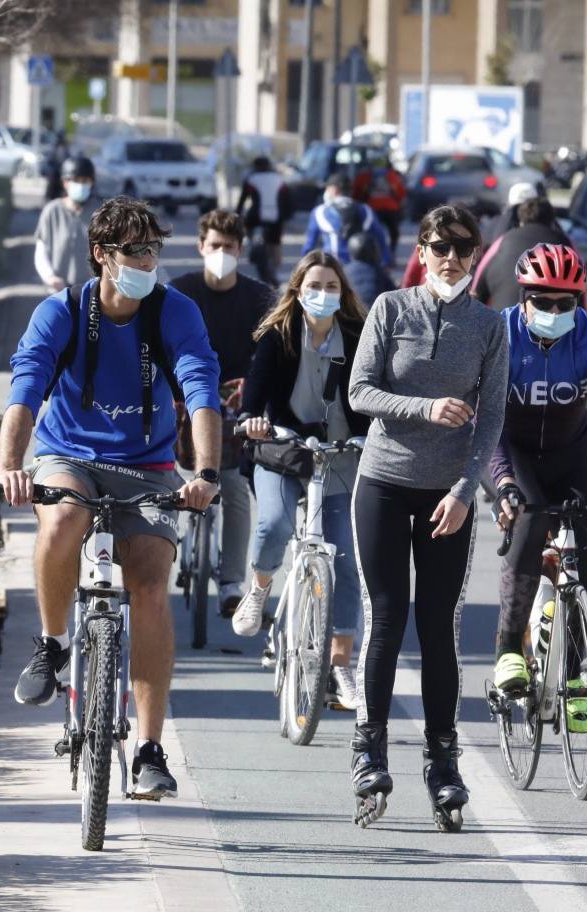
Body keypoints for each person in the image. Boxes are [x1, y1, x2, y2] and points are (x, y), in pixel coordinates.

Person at [0, 196, 222, 797]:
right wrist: (9, 466)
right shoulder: (61, 312)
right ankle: (51, 643)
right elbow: (24, 392)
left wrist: (204, 472)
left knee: (150, 585)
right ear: (101, 255)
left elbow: (201, 390)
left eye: (154, 249)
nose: (149, 260)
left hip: (148, 465)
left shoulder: (174, 311)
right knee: (63, 517)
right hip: (68, 455)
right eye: (135, 250)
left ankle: (149, 748)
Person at [346, 204, 508, 830]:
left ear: (475, 254)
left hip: (449, 496)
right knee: (387, 615)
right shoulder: (390, 308)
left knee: (439, 624)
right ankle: (370, 745)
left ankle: (444, 757)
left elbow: (490, 417)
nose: (451, 257)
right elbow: (361, 392)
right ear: (422, 249)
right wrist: (424, 406)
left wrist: (468, 491)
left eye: (463, 247)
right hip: (384, 482)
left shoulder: (490, 326)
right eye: (440, 245)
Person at [488, 243, 587, 701]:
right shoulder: (500, 334)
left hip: (568, 454)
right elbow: (487, 419)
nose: (556, 311)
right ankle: (506, 649)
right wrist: (502, 482)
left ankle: (575, 672)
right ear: (523, 298)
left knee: (586, 560)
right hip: (510, 449)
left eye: (566, 303)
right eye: (543, 302)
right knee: (532, 518)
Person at [232, 251, 371, 711]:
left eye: (332, 287)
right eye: (315, 286)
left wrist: (374, 432)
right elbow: (256, 386)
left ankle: (341, 666)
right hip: (285, 453)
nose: (323, 294)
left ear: (343, 294)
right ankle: (258, 588)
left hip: (339, 458)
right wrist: (251, 417)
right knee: (272, 523)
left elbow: (372, 391)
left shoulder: (355, 335)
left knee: (347, 560)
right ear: (297, 290)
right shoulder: (280, 336)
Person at [170, 209, 276, 617]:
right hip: (184, 399)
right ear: (201, 246)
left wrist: (256, 406)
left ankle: (232, 583)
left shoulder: (260, 297)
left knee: (232, 488)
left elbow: (269, 358)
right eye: (214, 245)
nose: (220, 253)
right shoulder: (179, 293)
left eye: (228, 247)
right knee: (160, 480)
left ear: (240, 250)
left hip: (235, 401)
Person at [474, 197, 572, 310]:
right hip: (556, 321)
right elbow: (582, 296)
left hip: (503, 320)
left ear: (520, 222)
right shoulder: (566, 244)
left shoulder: (502, 241)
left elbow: (477, 290)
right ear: (552, 222)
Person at [34, 155, 99, 291]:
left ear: (91, 182)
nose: (80, 185)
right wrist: (49, 276)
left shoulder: (100, 213)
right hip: (59, 290)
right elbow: (41, 250)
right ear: (65, 182)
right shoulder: (52, 211)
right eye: (76, 180)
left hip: (92, 291)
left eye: (84, 181)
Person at [303, 174, 391, 268]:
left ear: (334, 189)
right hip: (361, 267)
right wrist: (385, 262)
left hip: (332, 267)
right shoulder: (366, 210)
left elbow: (309, 244)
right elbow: (380, 239)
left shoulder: (320, 212)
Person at [236, 156, 290, 277]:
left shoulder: (251, 179)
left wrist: (238, 215)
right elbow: (286, 200)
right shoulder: (279, 179)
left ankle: (252, 246)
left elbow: (242, 200)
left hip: (255, 216)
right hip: (276, 217)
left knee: (248, 228)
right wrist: (285, 216)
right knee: (276, 242)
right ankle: (277, 267)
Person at [351, 152, 407, 263]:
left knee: (371, 233)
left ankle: (373, 255)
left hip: (371, 209)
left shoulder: (363, 176)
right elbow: (400, 192)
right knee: (394, 233)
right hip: (391, 208)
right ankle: (391, 254)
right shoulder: (392, 175)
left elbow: (356, 193)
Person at [343, 231, 396, 306]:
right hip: (375, 312)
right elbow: (394, 293)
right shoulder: (379, 272)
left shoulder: (345, 271)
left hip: (352, 312)